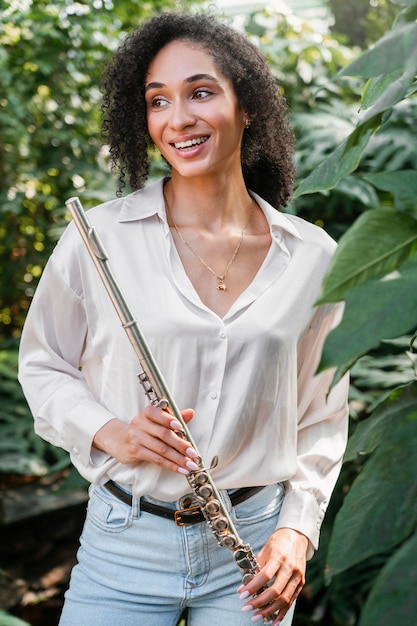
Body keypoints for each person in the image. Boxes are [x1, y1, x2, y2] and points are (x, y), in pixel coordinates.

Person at [18, 11, 349, 626]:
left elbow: (323, 413)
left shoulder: (314, 258)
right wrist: (108, 429)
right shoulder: (100, 237)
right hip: (124, 543)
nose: (179, 119)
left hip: (252, 553)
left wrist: (297, 531)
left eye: (201, 92)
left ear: (246, 105)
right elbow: (42, 365)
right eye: (158, 101)